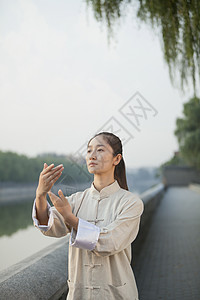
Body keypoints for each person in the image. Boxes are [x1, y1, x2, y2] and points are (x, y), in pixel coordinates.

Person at [32, 131, 144, 300]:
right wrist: (40, 196)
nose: (92, 155)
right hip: (80, 294)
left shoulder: (130, 203)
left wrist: (71, 219)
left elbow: (109, 242)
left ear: (117, 159)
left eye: (100, 150)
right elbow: (49, 226)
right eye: (89, 150)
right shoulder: (75, 201)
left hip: (115, 295)